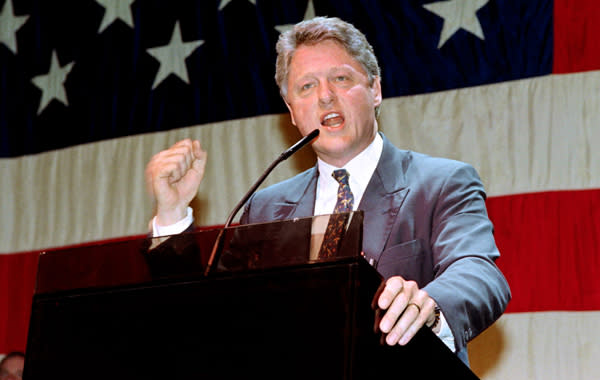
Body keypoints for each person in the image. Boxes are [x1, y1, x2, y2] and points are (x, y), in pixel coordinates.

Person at [145, 16, 511, 365]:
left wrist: (429, 307)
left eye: (340, 78)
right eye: (306, 86)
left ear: (375, 89)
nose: (325, 97)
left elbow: (477, 271)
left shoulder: (441, 182)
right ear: (291, 111)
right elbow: (202, 319)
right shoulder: (265, 208)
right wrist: (172, 214)